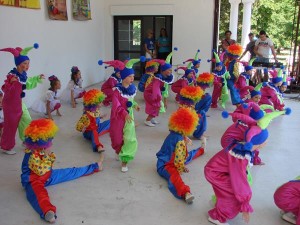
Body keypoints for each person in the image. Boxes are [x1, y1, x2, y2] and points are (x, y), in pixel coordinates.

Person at [205, 109, 289, 225]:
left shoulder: (245, 148)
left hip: (218, 170)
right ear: (259, 143)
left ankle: (219, 203)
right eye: (265, 140)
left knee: (232, 191)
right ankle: (217, 217)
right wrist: (245, 204)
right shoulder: (239, 157)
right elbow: (239, 181)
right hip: (215, 173)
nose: (266, 142)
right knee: (233, 194)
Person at [21, 118, 103, 223]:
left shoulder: (42, 149)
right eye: (49, 140)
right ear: (41, 141)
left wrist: (47, 153)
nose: (51, 143)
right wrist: (47, 154)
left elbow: (47, 168)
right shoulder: (31, 155)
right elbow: (41, 171)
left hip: (49, 175)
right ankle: (47, 212)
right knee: (39, 195)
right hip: (33, 180)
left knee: (71, 172)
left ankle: (94, 167)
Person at [0, 43, 44, 155]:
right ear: (18, 64)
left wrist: (38, 78)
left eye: (28, 63)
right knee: (11, 125)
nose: (27, 65)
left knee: (26, 120)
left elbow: (28, 83)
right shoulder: (12, 75)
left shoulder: (23, 75)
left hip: (19, 102)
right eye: (25, 63)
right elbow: (6, 88)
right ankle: (6, 147)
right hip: (10, 105)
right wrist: (13, 82)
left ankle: (26, 140)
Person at [156, 107, 204, 204]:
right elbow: (179, 159)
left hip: (171, 159)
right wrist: (181, 168)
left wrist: (184, 137)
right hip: (165, 165)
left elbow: (180, 154)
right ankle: (185, 193)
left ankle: (201, 150)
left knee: (188, 156)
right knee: (175, 176)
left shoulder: (175, 133)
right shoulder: (180, 141)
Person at [109, 57, 145, 172]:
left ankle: (125, 161)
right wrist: (124, 113)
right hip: (118, 117)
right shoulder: (116, 91)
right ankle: (118, 150)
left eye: (133, 76)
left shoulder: (132, 89)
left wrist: (135, 105)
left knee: (129, 139)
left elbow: (130, 100)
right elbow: (117, 106)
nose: (132, 78)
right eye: (130, 76)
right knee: (117, 139)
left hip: (129, 118)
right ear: (124, 77)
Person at [143, 58, 174, 127]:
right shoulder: (158, 78)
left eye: (171, 70)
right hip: (150, 93)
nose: (170, 71)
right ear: (163, 70)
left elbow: (158, 86)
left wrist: (161, 88)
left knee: (157, 106)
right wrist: (157, 96)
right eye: (169, 70)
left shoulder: (163, 77)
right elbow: (155, 87)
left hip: (152, 93)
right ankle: (147, 120)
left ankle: (151, 119)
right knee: (155, 106)